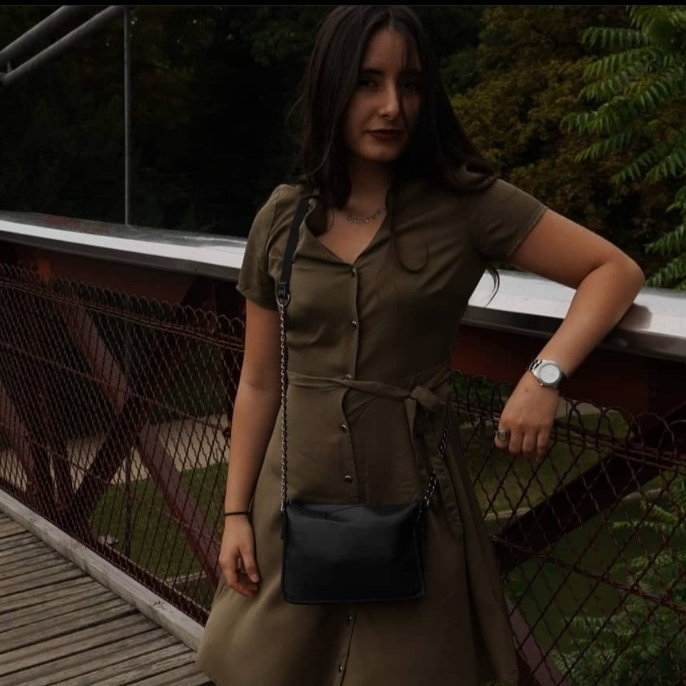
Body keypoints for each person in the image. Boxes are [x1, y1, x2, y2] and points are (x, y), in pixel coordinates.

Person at [196, 5, 645, 685]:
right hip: (291, 500)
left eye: (409, 84)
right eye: (367, 82)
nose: (392, 106)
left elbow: (613, 270)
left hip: (414, 500)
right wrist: (234, 514)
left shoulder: (467, 204)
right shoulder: (283, 217)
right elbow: (259, 382)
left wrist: (544, 375)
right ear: (332, 87)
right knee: (261, 668)